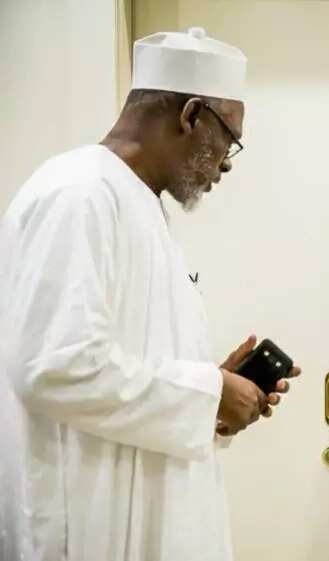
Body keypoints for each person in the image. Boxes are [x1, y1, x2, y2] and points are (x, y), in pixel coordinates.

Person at [0, 28, 298, 561]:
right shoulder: (80, 193)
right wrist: (206, 391)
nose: (226, 163)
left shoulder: (138, 205)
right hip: (93, 528)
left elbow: (131, 363)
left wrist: (215, 400)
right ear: (190, 116)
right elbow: (54, 365)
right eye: (229, 140)